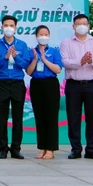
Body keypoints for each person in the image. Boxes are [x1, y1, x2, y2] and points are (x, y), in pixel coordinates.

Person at [60, 14, 93, 160]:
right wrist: (80, 61)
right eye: (78, 23)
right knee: (73, 118)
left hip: (92, 84)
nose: (81, 26)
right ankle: (76, 148)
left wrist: (90, 61)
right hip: (74, 85)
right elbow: (65, 62)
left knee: (92, 118)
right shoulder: (66, 42)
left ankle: (91, 149)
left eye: (84, 23)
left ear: (89, 26)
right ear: (73, 26)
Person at [0, 15, 32, 160]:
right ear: (1, 27)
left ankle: (16, 149)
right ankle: (2, 149)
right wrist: (6, 57)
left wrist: (16, 57)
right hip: (2, 83)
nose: (8, 28)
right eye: (5, 25)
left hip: (17, 83)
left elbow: (25, 64)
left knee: (18, 118)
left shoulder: (22, 45)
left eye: (11, 25)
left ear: (15, 28)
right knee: (2, 118)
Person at [26, 26, 63, 160]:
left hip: (50, 84)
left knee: (51, 117)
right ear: (36, 36)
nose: (43, 36)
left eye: (46, 34)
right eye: (41, 34)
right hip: (36, 84)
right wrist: (36, 60)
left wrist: (45, 59)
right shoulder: (31, 52)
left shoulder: (54, 51)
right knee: (39, 116)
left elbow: (58, 69)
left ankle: (51, 149)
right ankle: (42, 147)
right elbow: (29, 72)